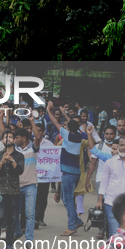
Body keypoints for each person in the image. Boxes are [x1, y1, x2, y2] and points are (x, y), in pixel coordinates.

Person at [47, 101, 84, 236]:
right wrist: (64, 114)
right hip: (74, 172)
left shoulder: (67, 135)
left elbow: (55, 123)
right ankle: (77, 220)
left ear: (68, 128)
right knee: (65, 197)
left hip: (68, 173)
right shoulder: (79, 135)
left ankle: (71, 226)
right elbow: (73, 124)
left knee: (68, 199)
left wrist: (49, 110)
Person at [0, 129, 23, 249]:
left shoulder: (19, 156)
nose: (8, 139)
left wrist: (11, 160)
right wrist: (2, 161)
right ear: (2, 140)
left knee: (13, 218)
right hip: (1, 191)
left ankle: (9, 244)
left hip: (14, 191)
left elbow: (20, 171)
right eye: (6, 137)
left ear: (14, 140)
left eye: (10, 137)